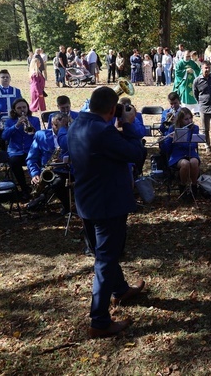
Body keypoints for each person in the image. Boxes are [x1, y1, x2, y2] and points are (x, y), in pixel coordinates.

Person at [68, 86, 147, 338]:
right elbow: (137, 153)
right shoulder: (103, 131)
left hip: (87, 202)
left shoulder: (77, 124)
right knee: (105, 260)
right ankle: (99, 321)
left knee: (105, 254)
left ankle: (120, 289)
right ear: (113, 109)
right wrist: (128, 124)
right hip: (108, 204)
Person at [26, 113, 71, 214]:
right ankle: (66, 206)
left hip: (71, 169)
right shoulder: (40, 135)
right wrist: (34, 174)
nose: (63, 128)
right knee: (57, 182)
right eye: (59, 125)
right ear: (52, 124)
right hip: (52, 172)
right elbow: (31, 158)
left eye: (66, 125)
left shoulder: (72, 136)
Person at [1, 98, 41, 198]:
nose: (22, 109)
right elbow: (4, 136)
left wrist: (31, 127)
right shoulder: (10, 121)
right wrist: (16, 125)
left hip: (30, 150)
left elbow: (39, 136)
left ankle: (38, 187)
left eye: (24, 107)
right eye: (19, 108)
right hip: (16, 151)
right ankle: (24, 189)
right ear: (14, 110)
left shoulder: (35, 120)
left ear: (28, 108)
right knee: (14, 162)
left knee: (39, 161)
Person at [161, 107, 200, 193]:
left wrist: (178, 141)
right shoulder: (173, 128)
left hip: (191, 153)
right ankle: (183, 186)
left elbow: (193, 145)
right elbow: (166, 149)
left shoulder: (195, 128)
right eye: (186, 119)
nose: (189, 121)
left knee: (194, 162)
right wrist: (168, 139)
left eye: (190, 118)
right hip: (177, 155)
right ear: (180, 120)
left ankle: (194, 186)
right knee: (185, 164)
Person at [192, 61, 211, 155]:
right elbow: (195, 94)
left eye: (209, 67)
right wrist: (202, 101)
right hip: (204, 108)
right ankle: (208, 147)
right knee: (205, 129)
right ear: (201, 68)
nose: (207, 69)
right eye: (205, 68)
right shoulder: (197, 81)